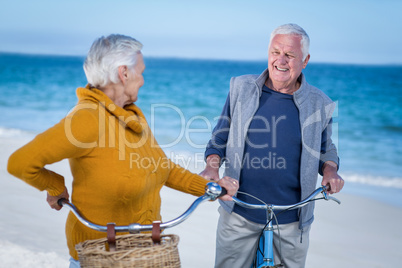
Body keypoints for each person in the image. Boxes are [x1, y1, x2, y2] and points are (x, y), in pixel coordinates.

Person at [7, 34, 238, 268]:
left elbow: (162, 168)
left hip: (146, 253)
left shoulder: (132, 116)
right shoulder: (86, 119)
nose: (143, 80)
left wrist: (211, 188)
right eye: (141, 71)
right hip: (99, 256)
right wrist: (55, 186)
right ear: (124, 73)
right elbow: (21, 162)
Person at [200, 24, 344, 268]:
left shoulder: (320, 103)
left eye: (290, 55)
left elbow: (325, 149)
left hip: (291, 219)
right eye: (275, 52)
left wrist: (330, 171)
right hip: (239, 211)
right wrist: (212, 168)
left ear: (305, 60)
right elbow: (219, 138)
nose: (281, 60)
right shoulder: (240, 88)